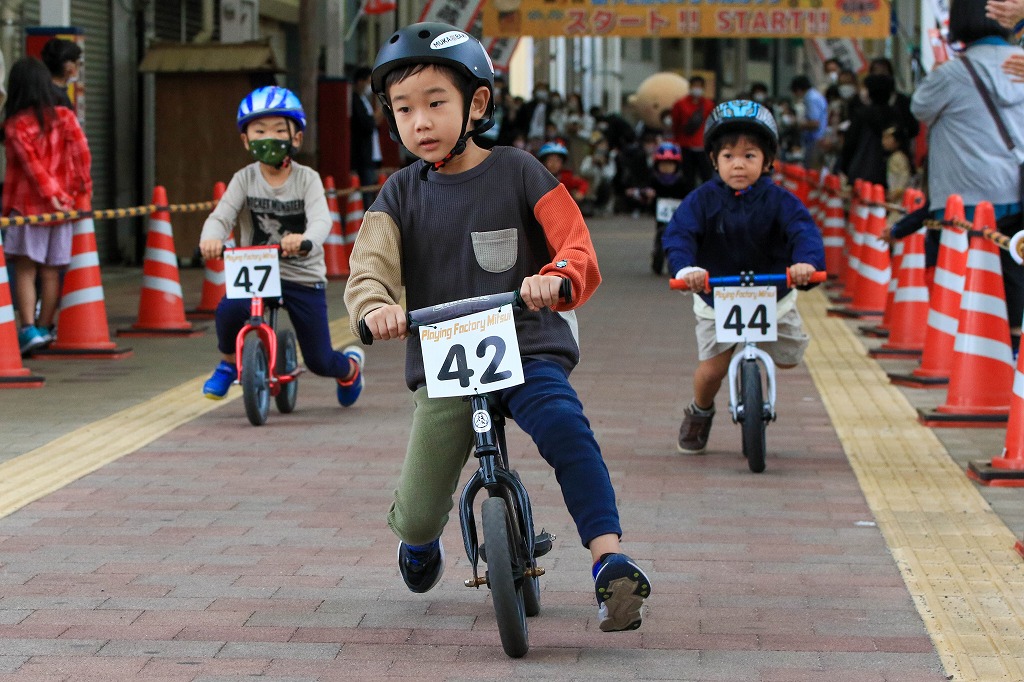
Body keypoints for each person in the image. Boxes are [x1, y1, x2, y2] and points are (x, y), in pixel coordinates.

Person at [345, 22, 652, 633]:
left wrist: (559, 275)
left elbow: (574, 241)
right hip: (444, 360)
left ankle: (608, 560)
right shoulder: (398, 194)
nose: (420, 122)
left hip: (527, 344)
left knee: (567, 430)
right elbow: (368, 267)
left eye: (436, 103)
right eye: (404, 109)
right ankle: (419, 540)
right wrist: (375, 307)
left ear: (477, 104)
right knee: (418, 512)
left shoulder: (520, 171)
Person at [661, 100, 825, 454]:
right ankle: (700, 411)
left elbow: (803, 232)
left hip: (773, 292)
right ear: (713, 160)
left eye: (749, 156)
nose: (738, 164)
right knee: (711, 371)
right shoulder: (701, 200)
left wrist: (806, 264)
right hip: (716, 294)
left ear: (767, 162)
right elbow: (680, 235)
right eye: (729, 156)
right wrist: (686, 270)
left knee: (789, 357)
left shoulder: (780, 200)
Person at [198, 86, 366, 405]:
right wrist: (211, 239)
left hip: (301, 274)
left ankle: (349, 369)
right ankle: (228, 364)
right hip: (254, 272)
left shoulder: (307, 179)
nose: (269, 138)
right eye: (259, 131)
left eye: (278, 130)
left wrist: (305, 240)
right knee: (229, 310)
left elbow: (321, 220)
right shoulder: (244, 179)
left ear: (296, 138)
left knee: (319, 359)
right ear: (246, 140)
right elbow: (221, 216)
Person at [912, 0, 1024, 354]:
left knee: (964, 279)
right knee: (1012, 275)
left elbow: (919, 108)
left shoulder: (951, 73)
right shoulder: (1021, 64)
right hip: (1017, 193)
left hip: (964, 200)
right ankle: (1013, 349)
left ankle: (968, 353)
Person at [2, 57, 91, 355]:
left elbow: (33, 167)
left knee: (26, 270)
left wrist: (51, 195)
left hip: (28, 208)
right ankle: (45, 326)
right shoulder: (66, 117)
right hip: (64, 208)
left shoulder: (16, 124)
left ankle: (28, 329)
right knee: (52, 271)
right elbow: (82, 155)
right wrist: (80, 192)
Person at [624, 142, 694, 274]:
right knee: (661, 234)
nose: (666, 168)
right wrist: (645, 193)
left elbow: (690, 194)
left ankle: (679, 259)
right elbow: (643, 191)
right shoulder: (654, 179)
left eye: (670, 165)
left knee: (682, 238)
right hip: (661, 216)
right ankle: (658, 253)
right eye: (663, 165)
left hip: (678, 216)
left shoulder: (682, 181)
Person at [671, 76, 716, 183]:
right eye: (695, 86)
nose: (697, 88)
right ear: (690, 87)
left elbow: (712, 124)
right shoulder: (680, 104)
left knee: (706, 176)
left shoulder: (709, 105)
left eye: (699, 86)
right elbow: (676, 123)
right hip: (685, 145)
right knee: (688, 177)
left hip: (702, 146)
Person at [350, 66, 382, 194]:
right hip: (362, 155)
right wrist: (383, 108)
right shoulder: (355, 100)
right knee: (366, 190)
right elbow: (367, 123)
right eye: (368, 82)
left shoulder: (364, 100)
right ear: (360, 81)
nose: (370, 87)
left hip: (370, 153)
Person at [789, 75, 829, 170]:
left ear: (798, 90)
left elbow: (814, 123)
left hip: (815, 140)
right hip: (818, 139)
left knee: (812, 171)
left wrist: (797, 125)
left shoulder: (810, 98)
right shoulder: (815, 95)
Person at [538, 139, 590, 207]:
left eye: (557, 160)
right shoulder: (538, 177)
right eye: (550, 160)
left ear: (562, 163)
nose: (554, 164)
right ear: (544, 162)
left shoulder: (566, 177)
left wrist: (580, 192)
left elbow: (583, 183)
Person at [39, 38, 81, 110]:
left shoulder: (40, 90)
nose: (78, 67)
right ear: (68, 65)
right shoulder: (59, 98)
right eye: (77, 63)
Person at [881, 125, 914, 202]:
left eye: (888, 138)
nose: (883, 141)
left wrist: (896, 193)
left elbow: (904, 178)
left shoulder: (899, 157)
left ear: (897, 140)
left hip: (899, 199)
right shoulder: (893, 157)